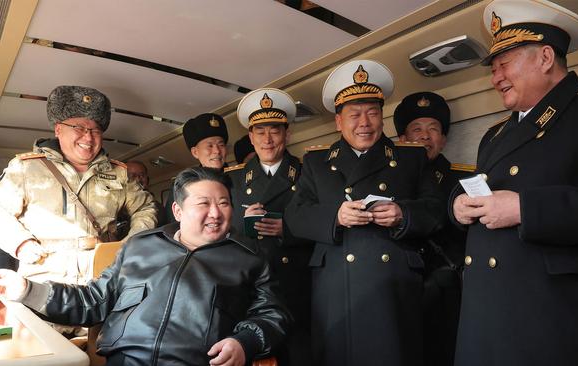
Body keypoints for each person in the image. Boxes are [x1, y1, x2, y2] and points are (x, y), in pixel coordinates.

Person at [0, 166, 290, 366]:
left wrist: (245, 341)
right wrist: (27, 290)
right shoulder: (140, 246)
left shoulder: (249, 258)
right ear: (178, 210)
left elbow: (273, 314)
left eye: (223, 203)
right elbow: (93, 302)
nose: (215, 213)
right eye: (203, 204)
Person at [450, 1, 578, 365]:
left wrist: (525, 209)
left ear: (544, 57)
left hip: (552, 321)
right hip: (485, 315)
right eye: (493, 69)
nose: (495, 78)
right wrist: (458, 206)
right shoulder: (494, 135)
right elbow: (477, 190)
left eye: (503, 65)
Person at [285, 60, 444, 366]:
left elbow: (436, 210)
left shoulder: (411, 158)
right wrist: (335, 217)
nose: (365, 123)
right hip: (336, 285)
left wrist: (403, 214)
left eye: (372, 113)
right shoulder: (316, 163)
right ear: (338, 122)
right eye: (355, 115)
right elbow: (295, 217)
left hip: (392, 284)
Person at [0, 85, 158, 286]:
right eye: (79, 128)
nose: (88, 137)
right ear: (58, 129)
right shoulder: (27, 168)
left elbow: (145, 207)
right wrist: (20, 243)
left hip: (102, 279)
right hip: (45, 279)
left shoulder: (118, 173)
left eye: (95, 130)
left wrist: (129, 245)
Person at [225, 88, 312, 366]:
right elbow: (222, 227)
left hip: (297, 282)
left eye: (274, 131)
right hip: (254, 285)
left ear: (287, 135)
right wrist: (243, 220)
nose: (267, 139)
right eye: (260, 132)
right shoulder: (235, 179)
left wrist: (287, 229)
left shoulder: (309, 171)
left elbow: (325, 224)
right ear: (250, 137)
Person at [394, 91, 473, 366]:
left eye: (433, 129)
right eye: (416, 129)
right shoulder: (388, 181)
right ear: (402, 140)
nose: (425, 136)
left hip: (448, 294)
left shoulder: (466, 179)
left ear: (444, 139)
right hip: (399, 291)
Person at [163, 113, 229, 224]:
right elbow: (173, 225)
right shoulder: (183, 185)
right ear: (195, 152)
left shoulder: (241, 178)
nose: (217, 151)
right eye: (210, 146)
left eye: (221, 145)